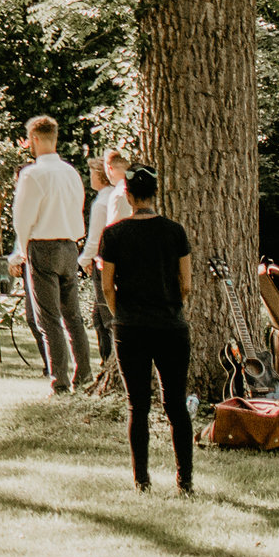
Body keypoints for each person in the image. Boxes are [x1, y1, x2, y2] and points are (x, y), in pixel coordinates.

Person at [96, 166, 193, 492]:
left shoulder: (113, 234)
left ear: (128, 195)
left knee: (137, 405)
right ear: (155, 193)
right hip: (170, 326)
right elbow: (187, 283)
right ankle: (185, 480)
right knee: (176, 405)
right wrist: (170, 304)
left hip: (131, 327)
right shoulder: (175, 231)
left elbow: (107, 286)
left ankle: (141, 480)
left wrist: (120, 312)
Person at [11, 115, 92, 393]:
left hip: (42, 246)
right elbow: (79, 206)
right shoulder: (71, 172)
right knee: (73, 315)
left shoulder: (31, 174)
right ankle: (85, 375)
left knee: (48, 318)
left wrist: (22, 251)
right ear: (55, 138)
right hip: (70, 245)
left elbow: (22, 218)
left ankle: (60, 380)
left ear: (33, 139)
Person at [79, 149, 133, 376]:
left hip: (110, 258)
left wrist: (86, 259)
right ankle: (106, 359)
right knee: (99, 315)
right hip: (115, 256)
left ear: (106, 171)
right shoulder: (120, 192)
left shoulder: (110, 198)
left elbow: (101, 235)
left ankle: (112, 359)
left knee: (106, 313)